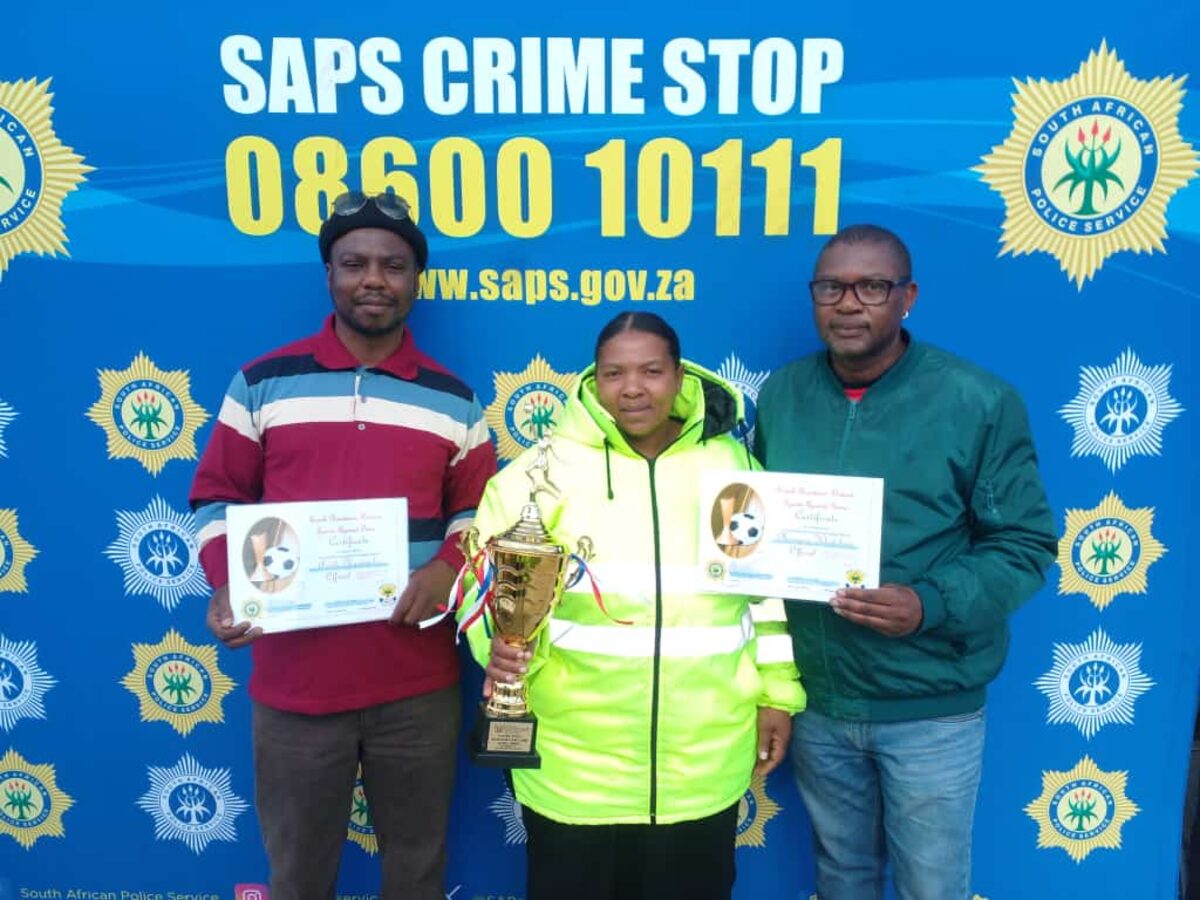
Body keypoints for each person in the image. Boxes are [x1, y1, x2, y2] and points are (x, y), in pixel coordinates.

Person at [190, 192, 496, 900]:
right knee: (298, 874)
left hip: (416, 683)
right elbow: (214, 497)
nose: (374, 279)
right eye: (354, 262)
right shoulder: (263, 383)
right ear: (328, 273)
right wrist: (228, 580)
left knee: (418, 869)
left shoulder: (454, 400)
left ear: (417, 280)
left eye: (393, 265)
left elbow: (478, 509)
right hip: (296, 684)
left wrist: (450, 567)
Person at [754, 224, 1056, 900]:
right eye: (831, 286)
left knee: (932, 887)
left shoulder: (978, 401)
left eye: (872, 286)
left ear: (907, 296)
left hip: (930, 707)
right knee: (842, 878)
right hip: (820, 701)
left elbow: (1026, 545)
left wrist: (930, 603)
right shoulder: (782, 396)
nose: (849, 303)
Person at [465, 312, 805, 900]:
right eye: (613, 372)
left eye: (651, 371)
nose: (632, 388)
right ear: (592, 381)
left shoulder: (732, 468)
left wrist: (778, 692)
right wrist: (495, 647)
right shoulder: (539, 473)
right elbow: (484, 592)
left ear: (680, 377)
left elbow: (765, 596)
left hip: (700, 765)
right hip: (576, 770)